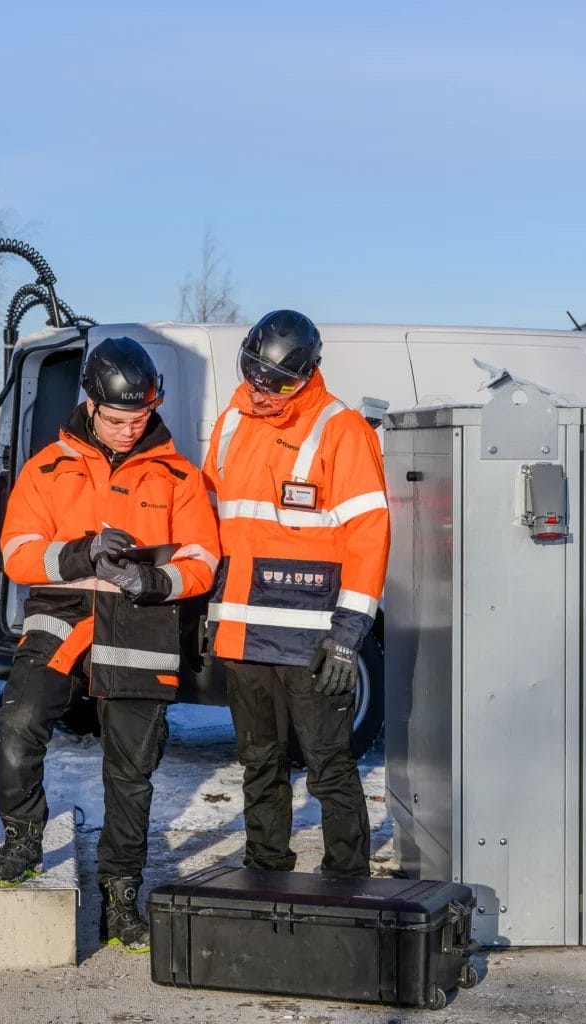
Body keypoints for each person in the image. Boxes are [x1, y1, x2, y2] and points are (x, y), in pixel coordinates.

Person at [0, 336, 220, 954]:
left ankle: (122, 892)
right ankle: (23, 841)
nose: (126, 429)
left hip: (140, 616)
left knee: (133, 768)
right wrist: (78, 553)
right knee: (19, 723)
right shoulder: (46, 468)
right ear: (90, 405)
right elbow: (15, 553)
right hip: (64, 610)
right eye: (116, 419)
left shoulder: (178, 476)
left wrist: (151, 580)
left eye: (138, 417)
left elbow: (201, 558)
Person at [201, 309, 389, 877]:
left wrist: (347, 639)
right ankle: (266, 867)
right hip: (243, 634)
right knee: (258, 763)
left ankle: (349, 880)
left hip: (311, 640)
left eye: (278, 382)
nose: (262, 391)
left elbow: (369, 535)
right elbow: (213, 522)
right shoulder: (231, 422)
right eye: (253, 374)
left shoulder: (341, 429)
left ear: (309, 373)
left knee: (329, 764)